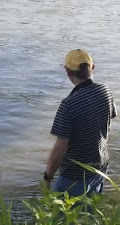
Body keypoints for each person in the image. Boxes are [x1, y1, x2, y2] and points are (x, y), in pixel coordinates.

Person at [44, 49, 117, 197]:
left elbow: (60, 149)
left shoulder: (68, 104)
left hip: (75, 175)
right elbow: (108, 119)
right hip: (100, 166)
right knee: (89, 214)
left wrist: (48, 176)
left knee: (63, 218)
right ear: (92, 67)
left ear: (68, 72)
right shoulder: (105, 91)